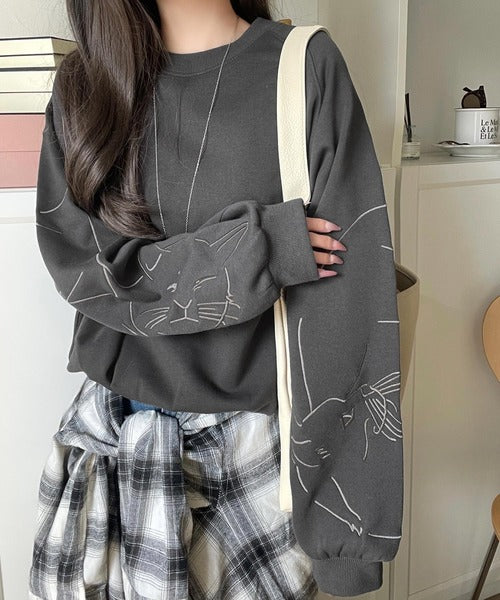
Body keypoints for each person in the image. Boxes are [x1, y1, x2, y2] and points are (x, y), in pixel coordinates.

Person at [29, 0, 403, 598]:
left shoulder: (303, 65)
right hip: (113, 460)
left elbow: (352, 316)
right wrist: (257, 249)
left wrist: (345, 538)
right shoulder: (83, 84)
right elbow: (87, 272)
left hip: (256, 467)